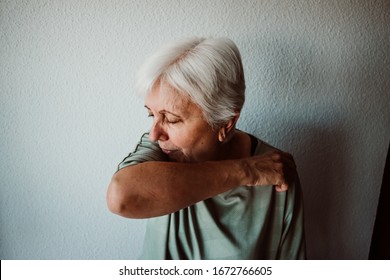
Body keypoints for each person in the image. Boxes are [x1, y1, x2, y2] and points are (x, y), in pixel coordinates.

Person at [107, 37, 306, 260]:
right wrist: (246, 171)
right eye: (151, 114)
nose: (154, 134)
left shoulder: (276, 173)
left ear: (225, 123)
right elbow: (121, 196)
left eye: (171, 119)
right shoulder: (157, 148)